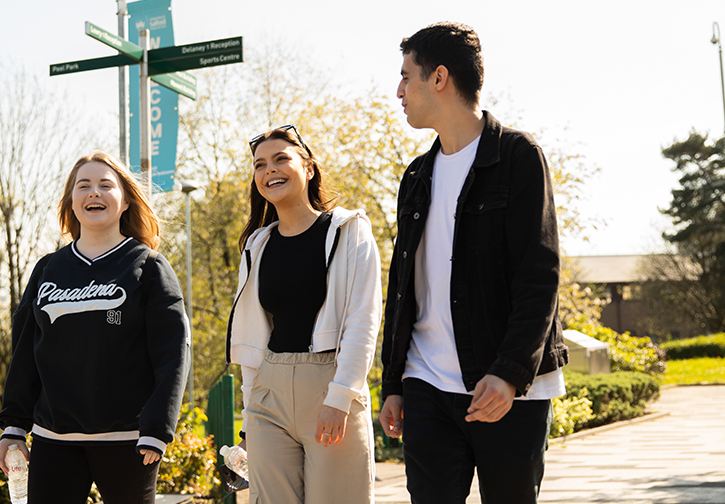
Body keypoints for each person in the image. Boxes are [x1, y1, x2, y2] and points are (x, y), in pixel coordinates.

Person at [379, 23, 570, 504]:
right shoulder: (417, 176)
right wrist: (394, 382)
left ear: (439, 77)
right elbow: (402, 284)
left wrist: (509, 372)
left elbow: (539, 274)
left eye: (407, 77)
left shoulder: (518, 157)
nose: (399, 91)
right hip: (426, 384)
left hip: (508, 389)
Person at [0, 151, 190, 504]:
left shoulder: (149, 267)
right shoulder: (47, 269)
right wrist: (13, 426)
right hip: (53, 438)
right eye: (83, 186)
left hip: (129, 440)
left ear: (126, 199)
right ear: (71, 201)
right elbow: (24, 352)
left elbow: (173, 353)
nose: (94, 193)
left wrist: (158, 427)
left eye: (106, 185)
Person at [226, 125, 381, 503]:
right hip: (268, 392)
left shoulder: (348, 230)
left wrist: (340, 396)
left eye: (281, 159)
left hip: (329, 383)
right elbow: (253, 336)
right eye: (260, 164)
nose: (269, 170)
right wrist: (249, 414)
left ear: (308, 168)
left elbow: (363, 321)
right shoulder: (257, 245)